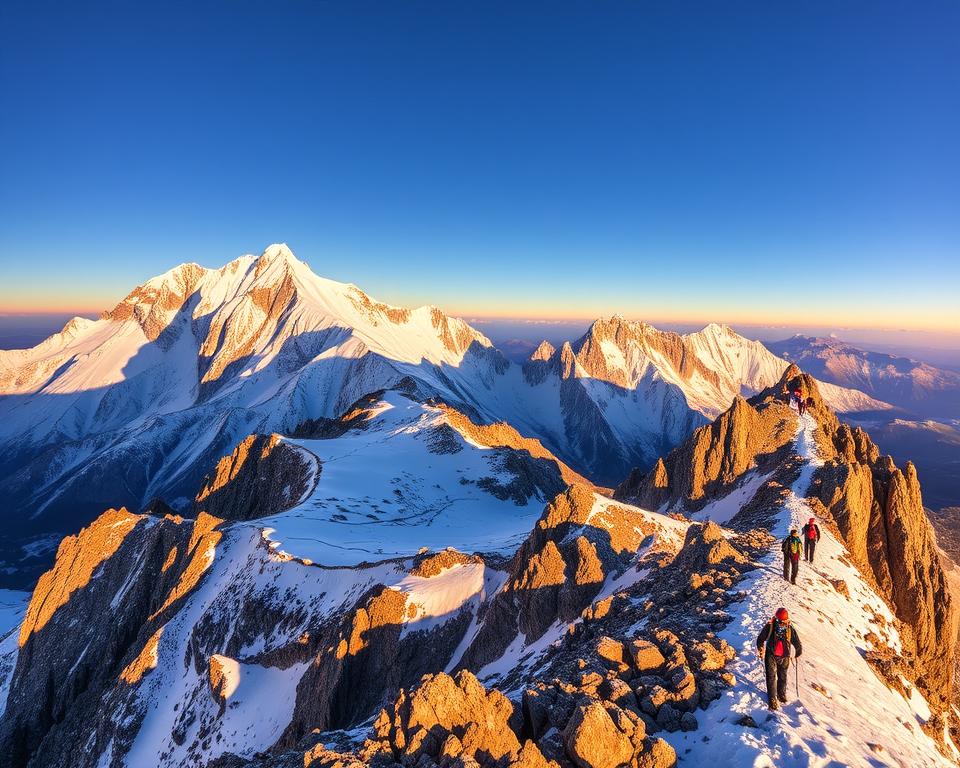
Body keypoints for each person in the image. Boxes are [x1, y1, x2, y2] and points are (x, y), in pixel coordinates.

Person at [756, 607, 803, 710]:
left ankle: (772, 699)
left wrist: (760, 648)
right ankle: (782, 696)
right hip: (785, 656)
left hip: (771, 654)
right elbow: (797, 644)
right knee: (783, 676)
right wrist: (797, 654)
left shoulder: (770, 625)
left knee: (771, 676)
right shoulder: (789, 628)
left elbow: (760, 638)